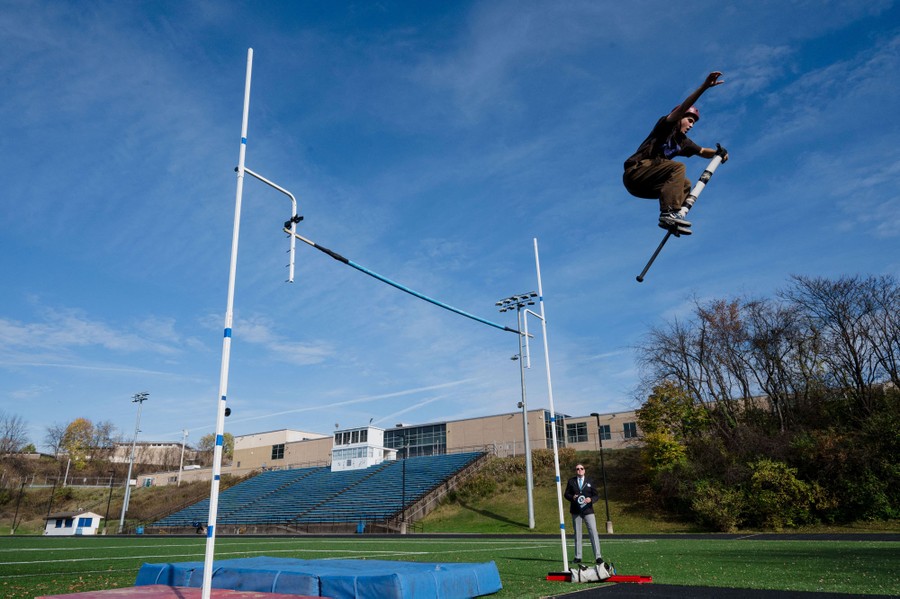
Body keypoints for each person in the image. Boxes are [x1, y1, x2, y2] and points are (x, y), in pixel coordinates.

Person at [623, 71, 729, 236]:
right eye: (690, 120)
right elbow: (684, 108)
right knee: (677, 167)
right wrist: (704, 87)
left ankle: (676, 215)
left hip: (645, 186)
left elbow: (702, 151)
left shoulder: (683, 142)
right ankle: (668, 213)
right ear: (680, 117)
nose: (692, 125)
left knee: (685, 184)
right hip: (635, 173)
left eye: (694, 123)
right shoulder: (667, 125)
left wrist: (718, 153)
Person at [564, 463, 605, 566]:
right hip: (576, 511)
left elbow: (596, 495)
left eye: (581, 468)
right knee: (577, 533)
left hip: (588, 511)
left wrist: (590, 499)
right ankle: (578, 557)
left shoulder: (590, 481)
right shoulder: (571, 481)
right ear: (576, 471)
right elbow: (566, 494)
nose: (579, 470)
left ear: (584, 470)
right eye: (577, 469)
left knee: (593, 532)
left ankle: (598, 556)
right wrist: (572, 497)